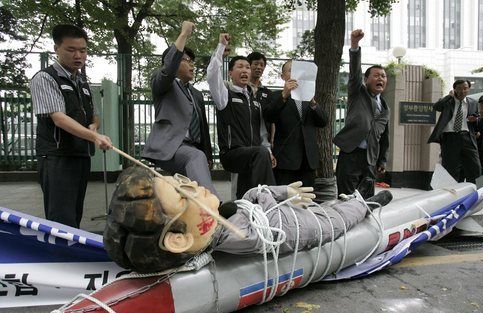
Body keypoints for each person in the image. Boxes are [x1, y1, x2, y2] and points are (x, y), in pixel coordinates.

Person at [103, 166, 393, 272]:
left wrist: (274, 192)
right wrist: (269, 193)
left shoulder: (223, 221)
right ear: (180, 239)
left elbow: (248, 201)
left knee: (325, 207)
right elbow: (270, 224)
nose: (192, 184)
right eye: (182, 195)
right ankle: (367, 203)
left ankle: (354, 202)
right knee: (340, 215)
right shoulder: (237, 237)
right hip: (299, 228)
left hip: (293, 216)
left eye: (181, 179)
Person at [29, 24, 112, 228]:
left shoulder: (82, 81)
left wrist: (93, 127)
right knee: (61, 218)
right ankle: (59, 257)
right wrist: (93, 137)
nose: (78, 55)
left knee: (75, 214)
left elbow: (95, 116)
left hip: (80, 155)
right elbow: (59, 118)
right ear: (57, 49)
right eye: (71, 49)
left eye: (82, 51)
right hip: (57, 157)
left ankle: (70, 255)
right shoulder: (45, 78)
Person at [142, 21, 217, 196]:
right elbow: (168, 69)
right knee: (194, 157)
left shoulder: (196, 94)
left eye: (192, 62)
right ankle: (214, 205)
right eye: (185, 60)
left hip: (193, 148)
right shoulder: (163, 84)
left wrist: (208, 155)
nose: (192, 65)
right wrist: (183, 34)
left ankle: (193, 217)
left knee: (188, 186)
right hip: (170, 146)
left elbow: (202, 126)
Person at [207, 33, 275, 198]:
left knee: (245, 195)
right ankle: (272, 198)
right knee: (259, 155)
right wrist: (221, 47)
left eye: (247, 67)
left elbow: (262, 133)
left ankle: (247, 213)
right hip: (233, 154)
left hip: (252, 156)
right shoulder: (225, 96)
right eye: (240, 67)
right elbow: (212, 75)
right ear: (230, 73)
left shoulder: (255, 101)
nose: (245, 70)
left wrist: (268, 152)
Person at [333, 29, 390, 199]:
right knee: (346, 199)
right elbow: (355, 72)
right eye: (376, 75)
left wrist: (382, 160)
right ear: (366, 80)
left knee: (365, 202)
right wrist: (355, 46)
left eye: (384, 76)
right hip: (350, 154)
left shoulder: (385, 107)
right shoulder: (357, 92)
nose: (381, 78)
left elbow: (385, 137)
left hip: (369, 159)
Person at [264, 60, 327, 187]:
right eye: (291, 70)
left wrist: (313, 103)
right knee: (285, 199)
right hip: (286, 160)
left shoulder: (308, 98)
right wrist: (284, 95)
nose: (295, 74)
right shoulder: (276, 96)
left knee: (307, 200)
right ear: (282, 77)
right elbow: (269, 116)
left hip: (308, 160)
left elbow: (323, 122)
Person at [427, 80, 481, 182]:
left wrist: (475, 120)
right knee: (450, 169)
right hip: (450, 138)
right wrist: (449, 96)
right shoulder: (448, 101)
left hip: (467, 137)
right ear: (455, 89)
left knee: (475, 167)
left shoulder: (473, 103)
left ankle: (474, 191)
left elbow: (476, 120)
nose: (462, 91)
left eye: (465, 88)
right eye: (459, 88)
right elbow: (436, 107)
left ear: (468, 89)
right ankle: (452, 193)